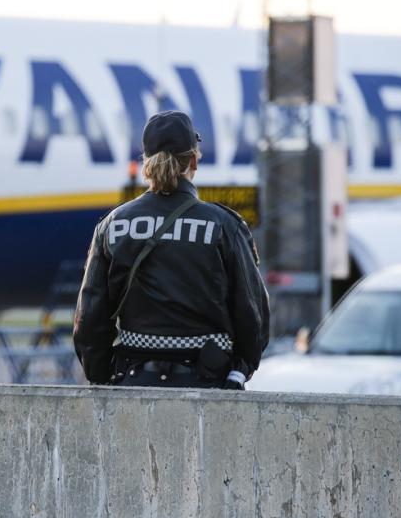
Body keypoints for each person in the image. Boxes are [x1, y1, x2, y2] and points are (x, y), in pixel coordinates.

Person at [73, 110, 269, 388]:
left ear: (146, 163)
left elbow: (90, 317)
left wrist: (102, 377)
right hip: (207, 383)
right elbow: (253, 314)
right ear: (193, 161)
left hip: (131, 381)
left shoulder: (112, 224)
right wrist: (238, 372)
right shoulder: (224, 225)